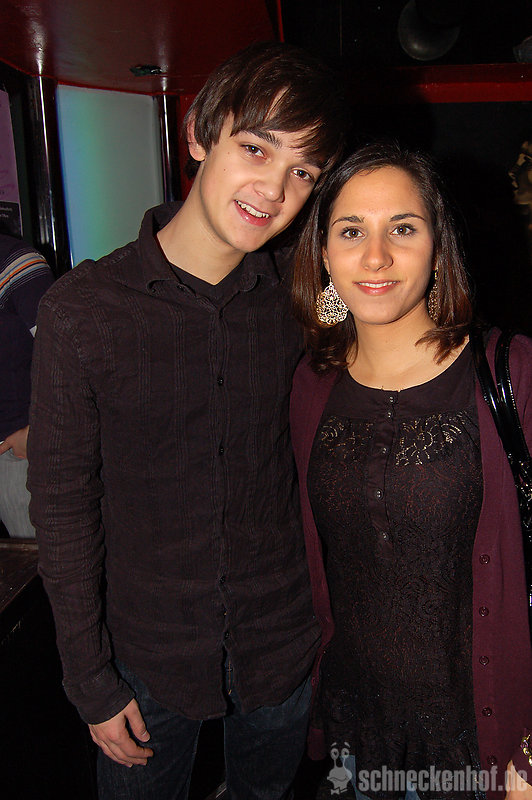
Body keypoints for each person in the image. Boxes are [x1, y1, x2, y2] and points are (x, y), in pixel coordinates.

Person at [27, 41, 346, 800]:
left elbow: (379, 313)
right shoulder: (82, 312)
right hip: (144, 660)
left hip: (281, 648)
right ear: (199, 133)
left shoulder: (306, 299)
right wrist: (89, 680)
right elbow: (63, 511)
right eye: (256, 148)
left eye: (303, 170)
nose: (274, 189)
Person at [290, 141, 532, 800]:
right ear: (323, 254)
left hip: (481, 748)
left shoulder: (511, 373)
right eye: (351, 231)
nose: (375, 257)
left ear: (438, 245)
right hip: (357, 739)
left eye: (402, 228)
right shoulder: (311, 385)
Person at [0, 233, 54, 538]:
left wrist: (41, 431)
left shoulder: (12, 260)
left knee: (39, 563)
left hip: (17, 460)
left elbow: (72, 358)